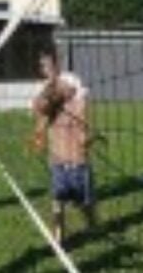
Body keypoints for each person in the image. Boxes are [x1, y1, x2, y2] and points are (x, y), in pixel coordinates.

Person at [31, 51, 96, 244]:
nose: (46, 69)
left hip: (77, 156)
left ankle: (92, 223)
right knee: (57, 201)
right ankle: (59, 236)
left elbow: (68, 93)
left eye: (49, 65)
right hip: (57, 156)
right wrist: (39, 132)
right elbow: (40, 109)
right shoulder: (44, 88)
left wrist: (52, 91)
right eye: (43, 66)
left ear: (58, 64)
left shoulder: (69, 79)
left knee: (84, 202)